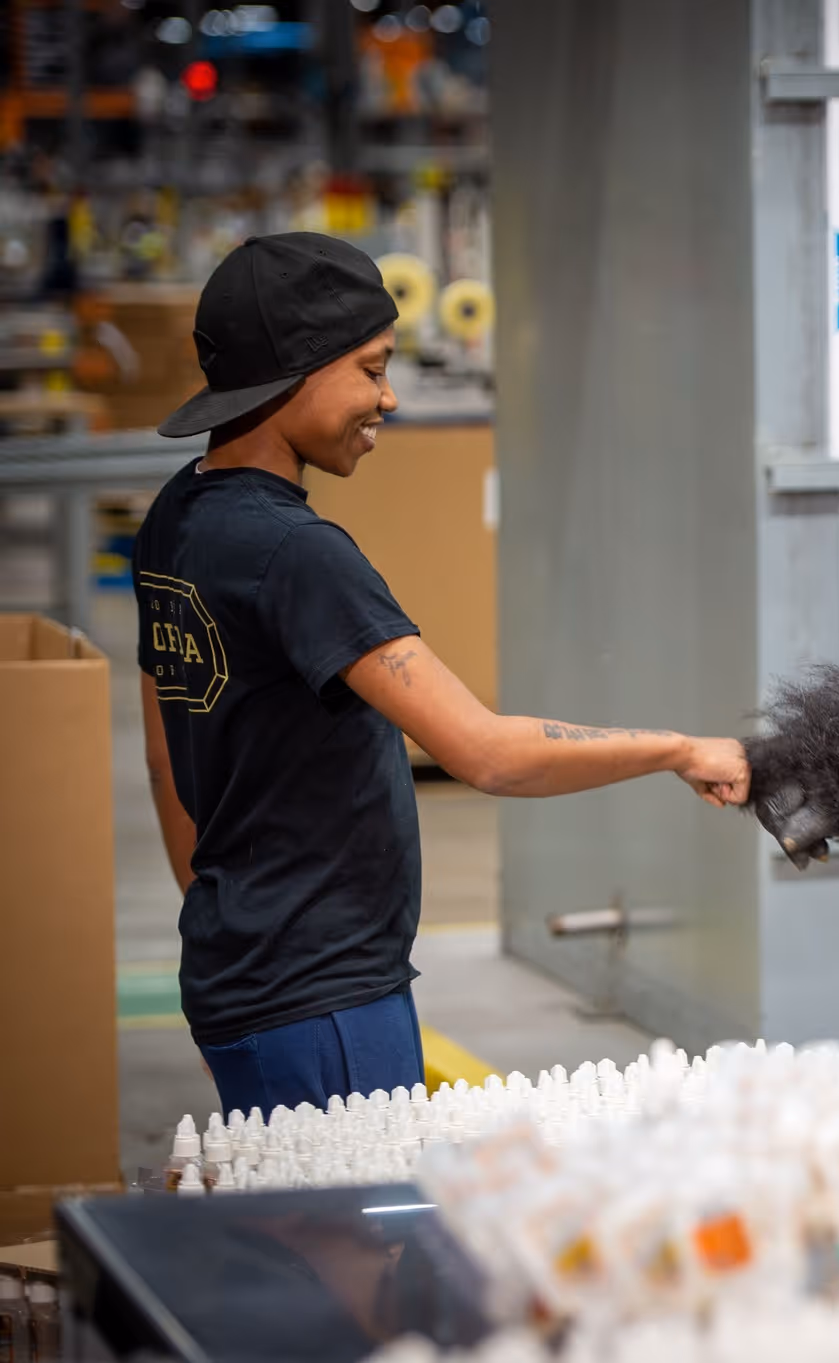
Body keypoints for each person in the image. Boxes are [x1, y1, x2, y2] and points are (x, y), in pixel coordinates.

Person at [135, 232, 749, 1117]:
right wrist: (680, 748)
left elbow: (165, 758)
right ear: (294, 373)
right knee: (353, 1245)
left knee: (293, 1234)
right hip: (324, 991)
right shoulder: (297, 553)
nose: (387, 397)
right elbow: (486, 752)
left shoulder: (176, 516)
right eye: (371, 368)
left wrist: (229, 940)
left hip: (246, 973)